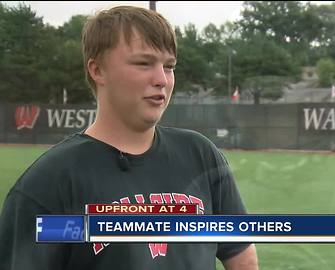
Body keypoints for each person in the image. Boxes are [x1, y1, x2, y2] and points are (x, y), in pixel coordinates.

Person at [0, 6, 258, 270]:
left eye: (169, 66)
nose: (161, 79)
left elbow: (241, 256)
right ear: (97, 70)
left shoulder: (201, 154)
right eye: (143, 63)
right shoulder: (48, 182)